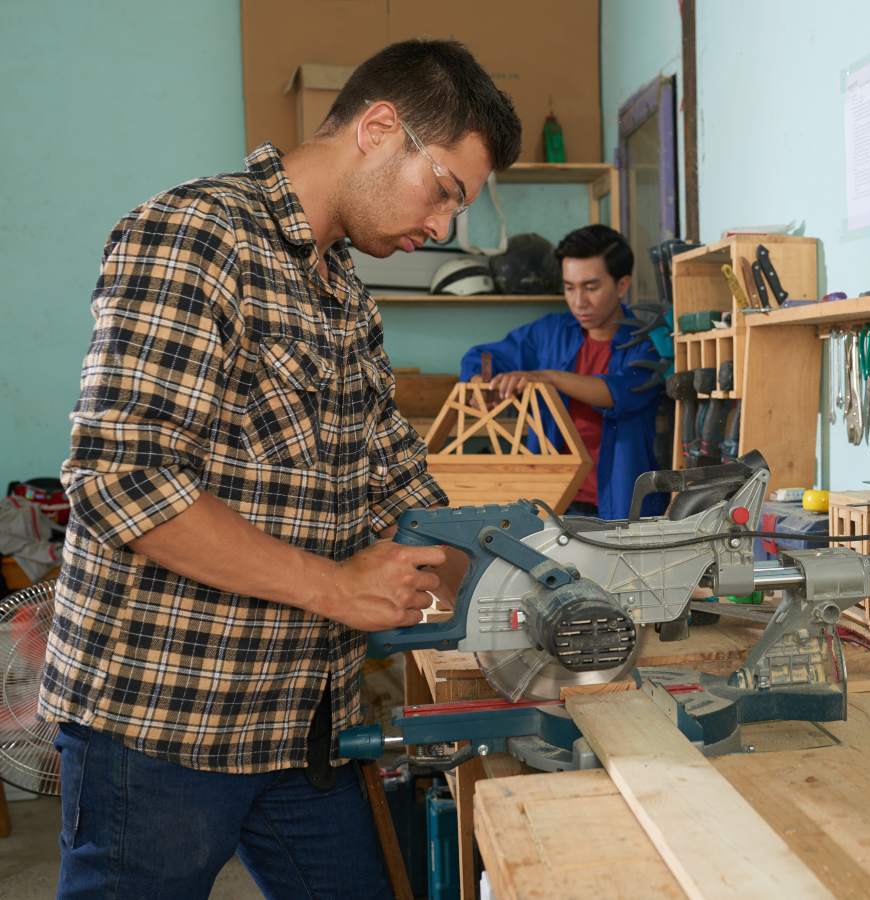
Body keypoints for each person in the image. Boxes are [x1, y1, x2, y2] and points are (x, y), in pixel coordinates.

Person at [40, 40, 521, 899]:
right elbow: (125, 483)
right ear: (379, 128)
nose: (444, 227)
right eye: (445, 190)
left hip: (303, 722)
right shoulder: (197, 236)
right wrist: (337, 588)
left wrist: (533, 585)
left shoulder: (343, 294)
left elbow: (397, 484)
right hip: (162, 721)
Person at [459, 225, 667, 520]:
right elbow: (481, 357)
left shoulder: (646, 342)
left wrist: (549, 377)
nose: (578, 301)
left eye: (591, 287)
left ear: (622, 285)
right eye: (570, 287)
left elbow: (619, 393)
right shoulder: (550, 332)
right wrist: (483, 386)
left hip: (621, 506)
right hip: (550, 502)